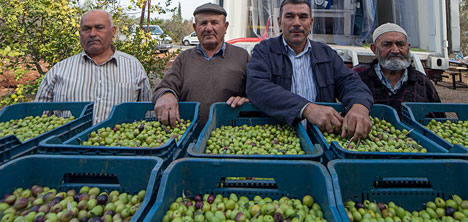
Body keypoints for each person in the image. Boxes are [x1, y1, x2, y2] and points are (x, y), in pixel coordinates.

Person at [246, 0, 374, 139]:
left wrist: (359, 106)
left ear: (311, 23)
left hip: (322, 136)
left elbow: (350, 82)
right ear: (279, 23)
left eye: (303, 17)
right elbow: (257, 86)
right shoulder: (265, 50)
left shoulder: (326, 53)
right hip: (278, 138)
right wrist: (306, 108)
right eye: (289, 16)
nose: (296, 23)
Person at [35, 10, 151, 124]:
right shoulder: (60, 70)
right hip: (68, 142)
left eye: (99, 28)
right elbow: (37, 118)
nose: (92, 34)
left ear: (113, 31)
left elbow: (148, 114)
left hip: (120, 142)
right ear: (80, 33)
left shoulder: (133, 67)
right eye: (87, 29)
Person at [153, 3, 250, 126]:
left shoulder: (242, 56)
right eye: (203, 23)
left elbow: (256, 91)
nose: (208, 28)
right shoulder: (184, 59)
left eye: (214, 23)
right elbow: (163, 88)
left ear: (225, 27)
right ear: (195, 28)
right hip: (190, 136)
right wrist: (166, 95)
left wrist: (246, 99)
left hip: (231, 136)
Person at [353, 23, 443, 117]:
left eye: (400, 44)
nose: (395, 50)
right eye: (387, 45)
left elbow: (440, 119)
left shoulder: (422, 82)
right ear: (374, 49)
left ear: (408, 47)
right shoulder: (359, 79)